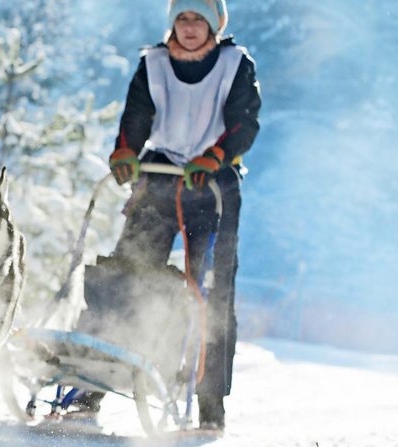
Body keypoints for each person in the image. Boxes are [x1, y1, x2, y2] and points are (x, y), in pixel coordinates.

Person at [71, 0, 260, 430]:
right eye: (183, 19)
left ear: (215, 25)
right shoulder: (153, 63)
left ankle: (210, 403)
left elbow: (244, 124)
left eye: (199, 19)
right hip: (159, 178)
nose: (190, 27)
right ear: (172, 24)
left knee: (211, 292)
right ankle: (89, 383)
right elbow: (137, 115)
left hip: (212, 186)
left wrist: (215, 155)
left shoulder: (235, 65)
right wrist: (125, 151)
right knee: (125, 275)